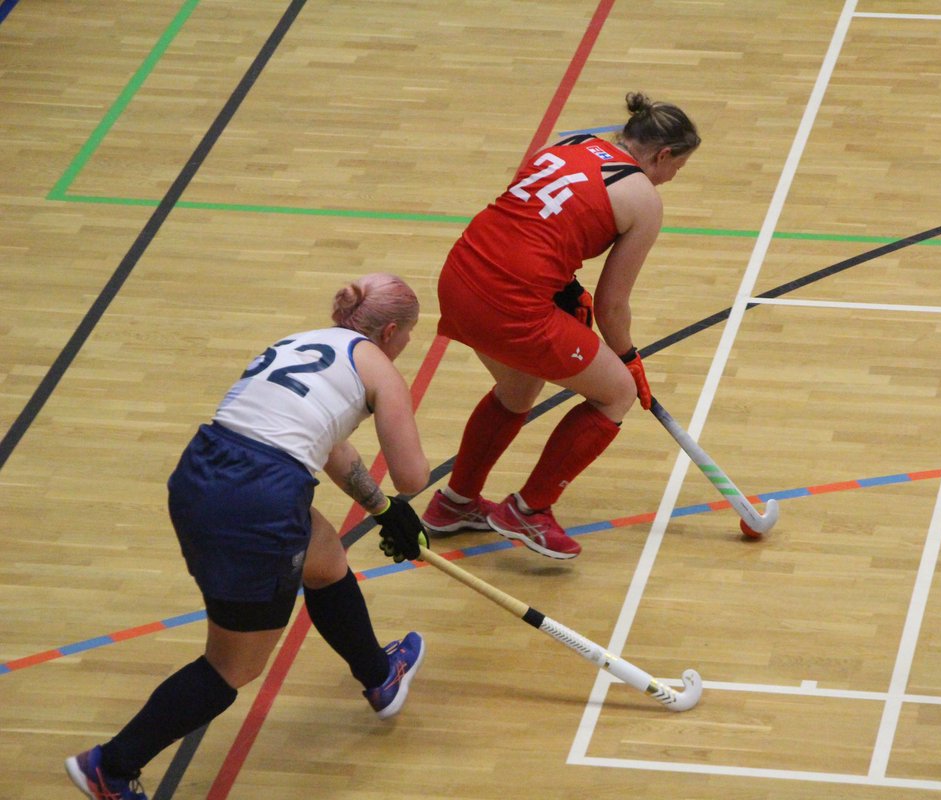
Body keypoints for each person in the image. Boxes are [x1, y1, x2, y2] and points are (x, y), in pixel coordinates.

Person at [66, 274, 433, 800]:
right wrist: (402, 496)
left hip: (203, 468)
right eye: (408, 339)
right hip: (258, 500)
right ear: (393, 331)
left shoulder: (300, 343)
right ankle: (111, 766)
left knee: (325, 557)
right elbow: (414, 476)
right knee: (235, 666)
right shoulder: (381, 369)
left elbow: (327, 443)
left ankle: (381, 676)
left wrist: (380, 508)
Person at [420, 91, 700, 560]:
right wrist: (628, 360)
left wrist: (561, 287)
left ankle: (455, 503)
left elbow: (525, 221)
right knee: (615, 393)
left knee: (517, 391)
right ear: (662, 154)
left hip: (461, 276)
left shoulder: (567, 141)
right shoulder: (642, 198)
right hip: (510, 302)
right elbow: (612, 306)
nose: (672, 178)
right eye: (678, 168)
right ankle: (529, 511)